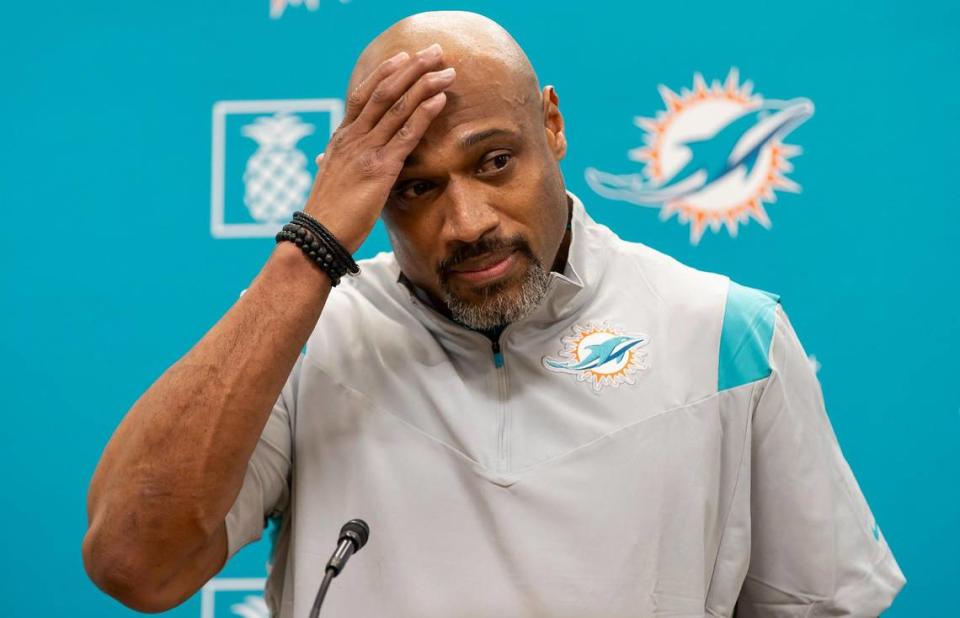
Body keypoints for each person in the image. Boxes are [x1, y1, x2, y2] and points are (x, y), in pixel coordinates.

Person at [82, 10, 905, 617]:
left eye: (496, 161)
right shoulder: (311, 335)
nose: (468, 220)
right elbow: (134, 562)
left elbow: (822, 605)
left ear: (552, 122)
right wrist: (312, 245)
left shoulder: (729, 333)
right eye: (415, 186)